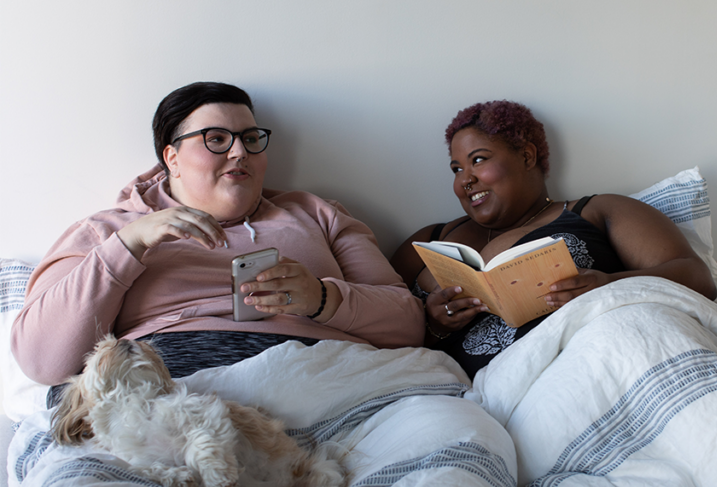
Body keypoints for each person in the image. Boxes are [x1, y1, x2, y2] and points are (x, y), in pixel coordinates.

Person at [12, 82, 424, 390]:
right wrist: (128, 246)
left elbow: (408, 324)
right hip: (171, 392)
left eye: (250, 138)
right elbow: (41, 360)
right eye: (216, 139)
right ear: (172, 158)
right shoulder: (107, 231)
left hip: (326, 378)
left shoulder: (318, 214)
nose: (240, 151)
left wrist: (321, 298)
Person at [390, 100, 717, 378]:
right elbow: (371, 331)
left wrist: (609, 286)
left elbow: (699, 279)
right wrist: (435, 326)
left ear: (527, 157)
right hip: (460, 398)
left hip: (582, 373)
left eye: (478, 160)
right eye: (456, 168)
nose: (466, 179)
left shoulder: (596, 211)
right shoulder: (431, 240)